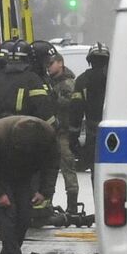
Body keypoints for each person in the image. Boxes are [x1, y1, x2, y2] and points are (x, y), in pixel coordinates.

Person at [0, 113, 60, 254]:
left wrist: (45, 191)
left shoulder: (47, 136)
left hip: (24, 176)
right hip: (0, 174)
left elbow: (52, 165)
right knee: (8, 217)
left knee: (24, 216)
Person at [45, 53, 85, 216]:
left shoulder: (68, 84)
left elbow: (71, 106)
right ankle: (47, 202)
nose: (49, 67)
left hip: (63, 133)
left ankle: (72, 206)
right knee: (49, 169)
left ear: (60, 63)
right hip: (53, 131)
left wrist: (52, 98)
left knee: (67, 168)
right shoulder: (52, 82)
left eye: (51, 63)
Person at [77, 43, 110, 172]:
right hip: (115, 133)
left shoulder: (82, 80)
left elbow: (76, 110)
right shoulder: (116, 79)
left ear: (89, 60)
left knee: (95, 170)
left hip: (92, 132)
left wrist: (73, 136)